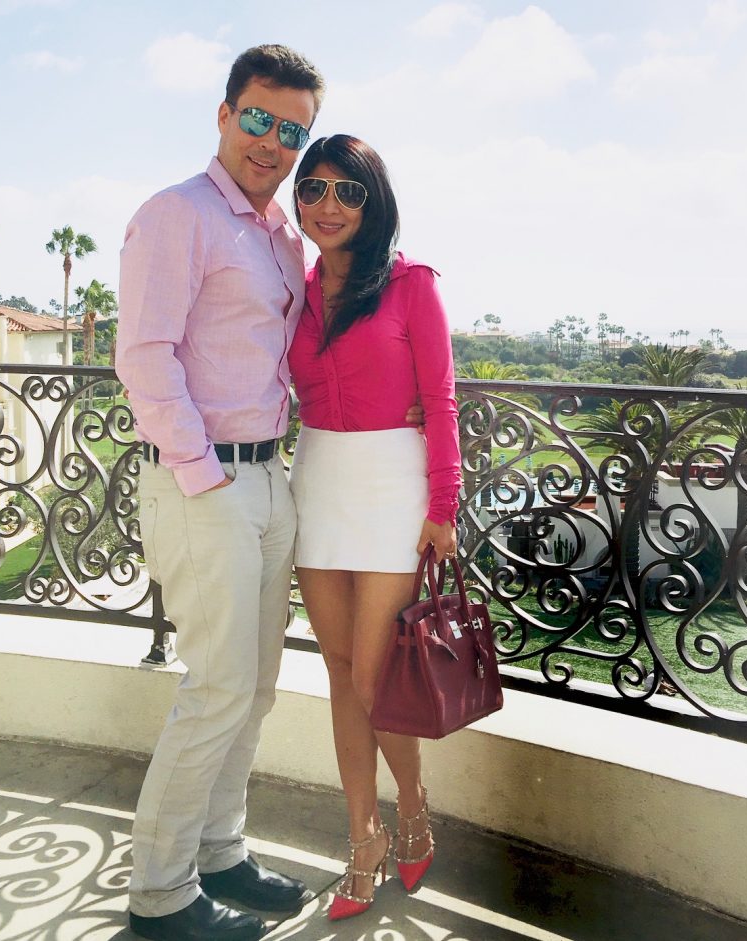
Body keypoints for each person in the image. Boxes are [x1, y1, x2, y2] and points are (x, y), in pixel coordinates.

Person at [115, 45, 324, 941]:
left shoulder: (280, 234)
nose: (272, 142)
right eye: (259, 119)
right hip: (204, 482)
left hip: (268, 477)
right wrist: (202, 472)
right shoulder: (178, 214)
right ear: (224, 113)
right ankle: (160, 894)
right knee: (217, 688)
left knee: (258, 687)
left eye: (292, 131)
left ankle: (220, 850)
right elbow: (144, 356)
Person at [287, 134, 461, 921]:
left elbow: (442, 398)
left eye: (348, 191)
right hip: (318, 478)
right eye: (314, 188)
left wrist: (443, 506)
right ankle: (364, 838)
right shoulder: (295, 288)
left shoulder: (411, 284)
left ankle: (413, 806)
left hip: (394, 485)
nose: (328, 206)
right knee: (337, 667)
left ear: (374, 202)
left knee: (372, 675)